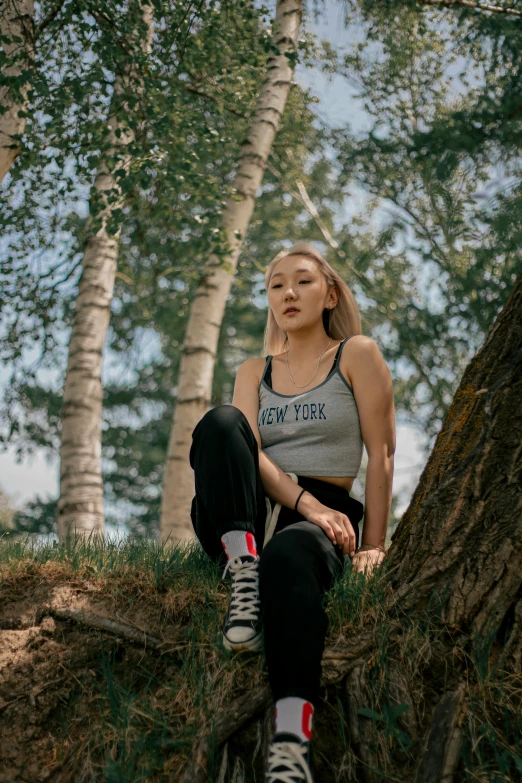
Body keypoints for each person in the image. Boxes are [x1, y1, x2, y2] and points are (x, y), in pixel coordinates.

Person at [189, 241, 395, 782]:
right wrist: (301, 501)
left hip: (322, 518)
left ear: (329, 294)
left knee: (289, 558)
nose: (288, 293)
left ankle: (290, 741)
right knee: (220, 422)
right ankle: (243, 575)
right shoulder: (254, 369)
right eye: (276, 285)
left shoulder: (357, 354)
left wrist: (373, 543)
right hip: (249, 511)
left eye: (302, 281)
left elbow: (382, 454)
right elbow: (244, 452)